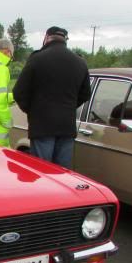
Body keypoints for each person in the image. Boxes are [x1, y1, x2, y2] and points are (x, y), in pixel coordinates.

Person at [12, 26, 90, 168]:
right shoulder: (80, 62)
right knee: (62, 173)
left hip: (42, 126)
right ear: (66, 40)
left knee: (42, 171)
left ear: (46, 37)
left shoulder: (37, 58)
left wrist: (32, 110)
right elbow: (85, 94)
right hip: (67, 126)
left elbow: (18, 92)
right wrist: (69, 106)